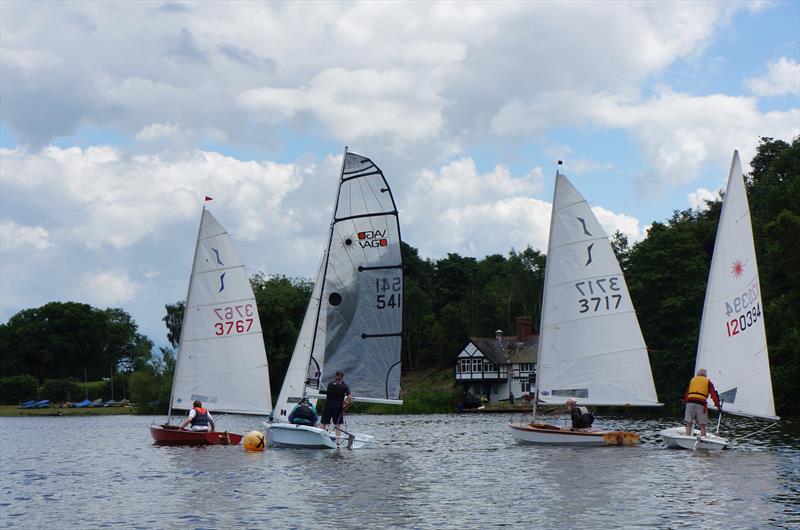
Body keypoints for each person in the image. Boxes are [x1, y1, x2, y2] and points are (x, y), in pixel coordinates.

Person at [684, 368, 721, 437]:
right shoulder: (708, 382)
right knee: (702, 425)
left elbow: (687, 393)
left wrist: (686, 402)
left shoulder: (692, 380)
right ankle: (703, 438)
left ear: (698, 374)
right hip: (701, 404)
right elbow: (713, 395)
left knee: (689, 423)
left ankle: (687, 437)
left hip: (690, 402)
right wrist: (718, 405)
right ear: (705, 375)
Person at [320, 370, 352, 445]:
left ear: (336, 376)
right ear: (342, 377)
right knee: (337, 424)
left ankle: (321, 438)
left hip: (328, 405)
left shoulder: (330, 384)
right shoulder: (344, 386)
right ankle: (337, 442)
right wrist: (345, 405)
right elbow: (349, 397)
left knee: (323, 422)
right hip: (337, 407)